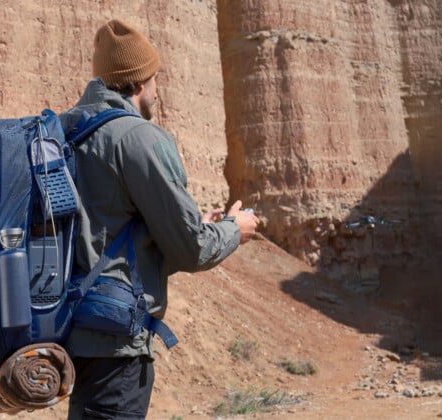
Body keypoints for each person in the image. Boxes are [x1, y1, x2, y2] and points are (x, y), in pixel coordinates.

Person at [60, 19, 259, 419]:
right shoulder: (139, 138)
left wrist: (188, 220)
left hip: (73, 334)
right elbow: (193, 249)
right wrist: (233, 230)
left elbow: (102, 227)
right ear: (137, 83)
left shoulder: (68, 131)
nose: (156, 89)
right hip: (117, 343)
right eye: (153, 79)